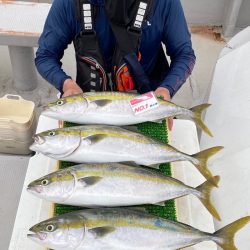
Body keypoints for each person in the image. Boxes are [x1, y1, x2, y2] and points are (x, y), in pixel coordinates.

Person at [35, 0, 196, 129]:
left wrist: (167, 88)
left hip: (147, 104)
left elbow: (184, 54)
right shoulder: (69, 3)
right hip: (90, 107)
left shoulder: (164, 3)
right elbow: (45, 56)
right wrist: (66, 84)